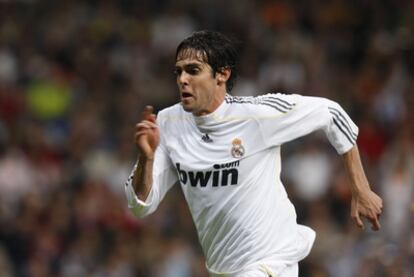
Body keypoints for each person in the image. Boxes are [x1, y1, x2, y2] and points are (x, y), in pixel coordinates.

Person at [124, 30, 383, 277]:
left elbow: (331, 113)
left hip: (271, 262)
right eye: (178, 71)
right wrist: (145, 158)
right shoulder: (168, 124)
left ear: (221, 75)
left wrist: (360, 188)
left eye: (193, 70)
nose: (182, 79)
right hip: (223, 269)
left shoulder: (256, 116)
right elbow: (140, 207)